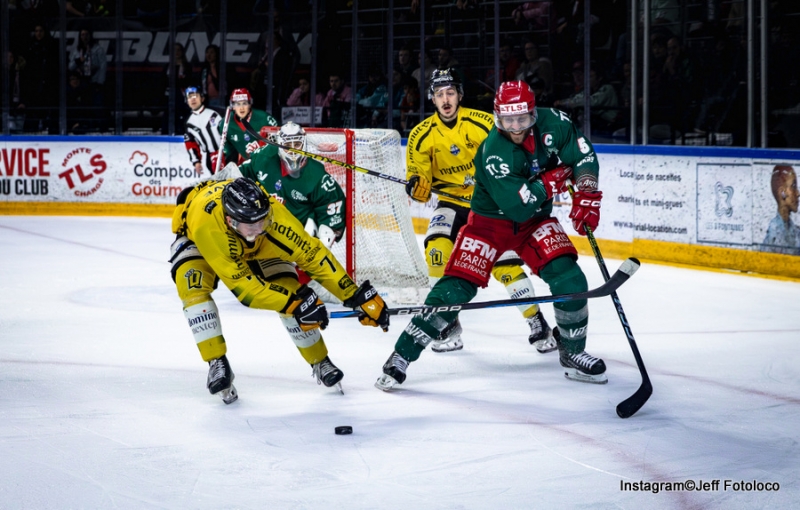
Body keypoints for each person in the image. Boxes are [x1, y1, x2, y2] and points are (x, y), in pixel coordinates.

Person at [377, 80, 606, 390]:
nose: (514, 127)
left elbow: (582, 155)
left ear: (533, 114)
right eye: (507, 120)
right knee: (454, 289)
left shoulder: (556, 122)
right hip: (490, 224)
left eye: (522, 119)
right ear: (498, 117)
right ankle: (401, 355)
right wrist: (554, 179)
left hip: (536, 220)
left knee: (571, 279)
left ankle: (573, 353)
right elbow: (517, 207)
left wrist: (588, 190)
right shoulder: (494, 150)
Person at [169, 177, 390, 403]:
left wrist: (352, 294)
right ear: (230, 221)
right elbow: (247, 289)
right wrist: (295, 304)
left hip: (251, 241)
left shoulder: (269, 216)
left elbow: (312, 255)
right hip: (197, 239)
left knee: (291, 288)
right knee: (192, 287)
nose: (260, 228)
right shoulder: (209, 226)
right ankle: (216, 361)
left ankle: (320, 360)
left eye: (263, 220)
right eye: (253, 224)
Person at [404, 69, 555, 354]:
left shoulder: (484, 122)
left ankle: (536, 321)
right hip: (451, 204)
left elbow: (514, 151)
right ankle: (447, 322)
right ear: (432, 99)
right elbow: (417, 174)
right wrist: (416, 186)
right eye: (439, 95)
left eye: (450, 93)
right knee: (436, 252)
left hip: (490, 204)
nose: (445, 100)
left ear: (459, 95)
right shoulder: (420, 135)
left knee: (506, 266)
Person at [218, 88, 279, 165]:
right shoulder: (226, 123)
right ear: (232, 106)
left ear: (250, 104)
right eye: (237, 104)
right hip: (247, 165)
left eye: (244, 103)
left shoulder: (264, 118)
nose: (241, 108)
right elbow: (227, 150)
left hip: (267, 162)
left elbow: (281, 137)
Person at [183, 87, 225, 176]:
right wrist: (196, 161)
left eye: (195, 96)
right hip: (210, 158)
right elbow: (191, 144)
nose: (193, 99)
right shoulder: (189, 123)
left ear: (202, 98)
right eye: (189, 97)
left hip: (227, 153)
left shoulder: (217, 112)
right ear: (186, 101)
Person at [762, 165, 800, 255]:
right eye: (793, 186)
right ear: (782, 193)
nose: (798, 193)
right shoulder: (775, 233)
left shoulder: (793, 229)